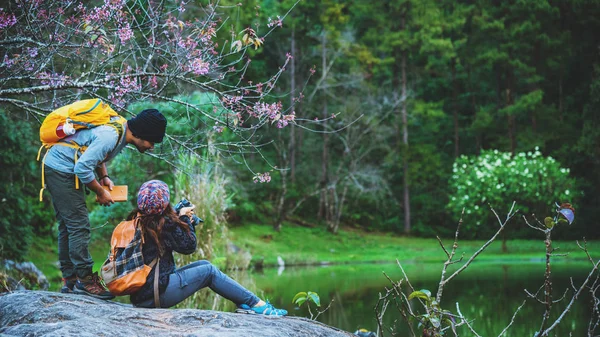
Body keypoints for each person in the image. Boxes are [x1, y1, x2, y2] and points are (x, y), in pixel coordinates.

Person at [44, 106, 168, 300]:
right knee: (78, 226)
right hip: (62, 169)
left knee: (68, 226)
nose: (152, 146)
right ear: (141, 134)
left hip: (59, 167)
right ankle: (85, 281)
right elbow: (82, 168)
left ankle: (70, 280)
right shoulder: (111, 135)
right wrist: (100, 192)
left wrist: (104, 177)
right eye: (152, 141)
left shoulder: (120, 130)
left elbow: (97, 154)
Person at [128, 180, 287, 316]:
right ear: (164, 202)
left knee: (204, 264)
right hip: (155, 294)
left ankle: (246, 303)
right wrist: (184, 218)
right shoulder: (163, 225)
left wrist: (177, 217)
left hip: (142, 294)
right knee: (209, 271)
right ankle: (257, 305)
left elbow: (166, 233)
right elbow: (189, 246)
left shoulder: (136, 221)